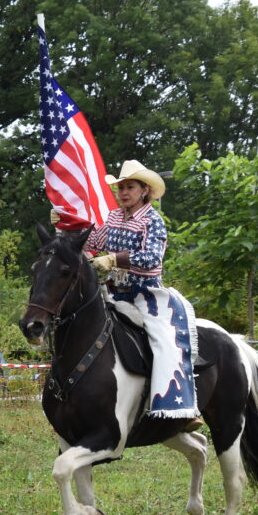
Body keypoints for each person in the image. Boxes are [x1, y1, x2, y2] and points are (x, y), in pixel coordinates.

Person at [74, 160, 200, 426]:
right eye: (120, 188)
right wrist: (67, 225)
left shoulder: (153, 220)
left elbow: (152, 256)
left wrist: (114, 259)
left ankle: (180, 407)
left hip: (145, 294)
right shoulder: (113, 216)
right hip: (113, 292)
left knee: (164, 341)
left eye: (129, 187)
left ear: (144, 190)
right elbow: (93, 241)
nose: (123, 193)